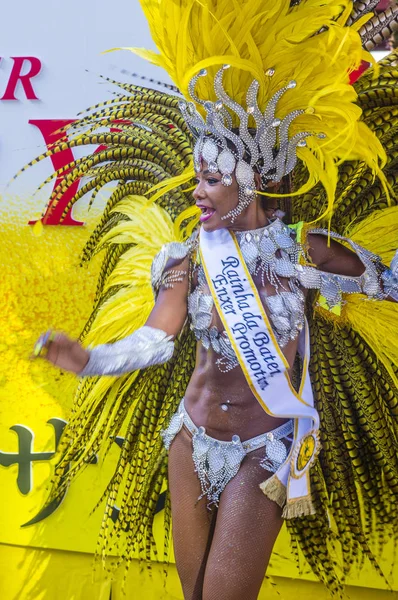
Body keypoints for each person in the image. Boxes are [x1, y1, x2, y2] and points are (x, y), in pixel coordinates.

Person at [28, 1, 398, 598]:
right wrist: (89, 359)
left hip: (267, 450)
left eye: (210, 180)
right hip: (190, 439)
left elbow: (389, 279)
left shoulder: (303, 252)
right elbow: (155, 339)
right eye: (197, 177)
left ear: (249, 179)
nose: (195, 191)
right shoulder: (186, 257)